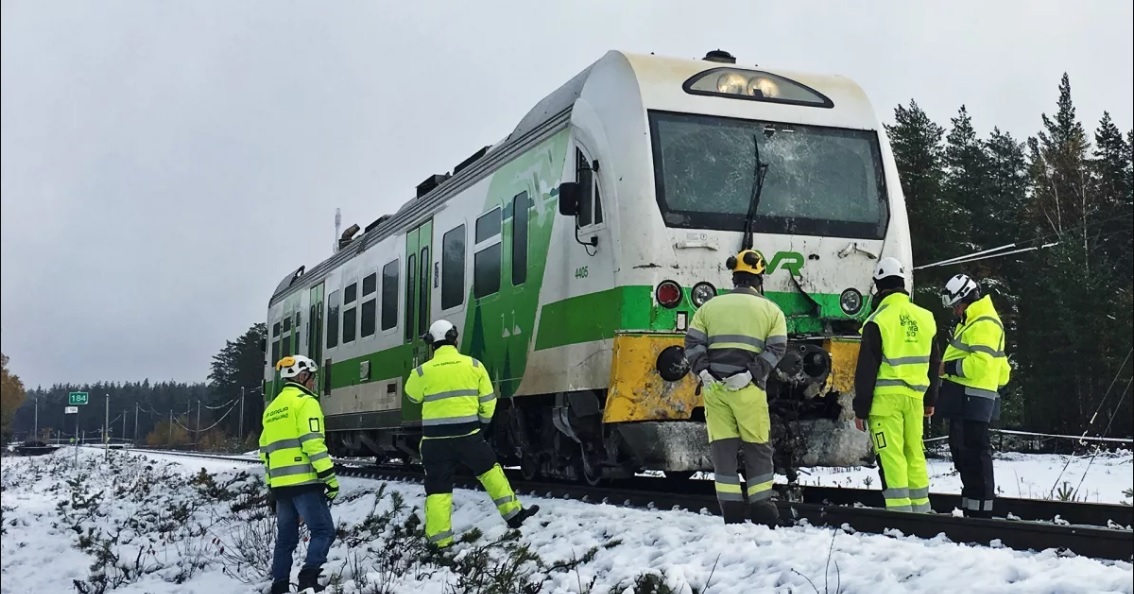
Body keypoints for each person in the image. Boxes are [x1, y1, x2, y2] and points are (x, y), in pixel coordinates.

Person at [404, 319, 539, 549]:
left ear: (431, 344)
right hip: (469, 435)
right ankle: (513, 515)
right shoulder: (474, 366)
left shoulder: (421, 371)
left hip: (434, 442)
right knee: (490, 471)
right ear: (454, 339)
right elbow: (488, 401)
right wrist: (482, 427)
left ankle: (439, 541)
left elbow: (411, 396)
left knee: (438, 489)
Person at [683, 249, 788, 527]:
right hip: (748, 389)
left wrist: (703, 371)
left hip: (715, 389)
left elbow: (692, 343)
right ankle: (761, 505)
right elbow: (777, 348)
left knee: (723, 449)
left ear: (734, 277)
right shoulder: (771, 310)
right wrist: (752, 373)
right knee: (757, 447)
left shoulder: (708, 308)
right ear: (759, 279)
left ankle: (730, 509)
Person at [852, 257, 942, 513]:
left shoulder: (877, 320)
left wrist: (860, 409)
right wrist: (930, 400)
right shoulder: (925, 318)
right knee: (914, 452)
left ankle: (900, 514)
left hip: (885, 401)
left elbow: (866, 370)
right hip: (915, 399)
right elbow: (934, 362)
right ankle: (921, 509)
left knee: (891, 455)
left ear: (879, 287)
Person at [259, 355, 338, 594]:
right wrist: (330, 479)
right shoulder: (306, 402)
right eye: (312, 378)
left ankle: (279, 585)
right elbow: (313, 444)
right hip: (305, 482)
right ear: (302, 377)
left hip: (281, 486)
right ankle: (308, 577)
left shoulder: (272, 409)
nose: (313, 383)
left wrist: (272, 485)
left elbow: (265, 452)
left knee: (286, 539)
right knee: (323, 531)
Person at [936, 273, 1011, 518]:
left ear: (965, 299)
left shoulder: (984, 324)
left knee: (974, 453)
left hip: (972, 398)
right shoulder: (973, 321)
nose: (955, 312)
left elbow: (980, 365)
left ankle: (981, 513)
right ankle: (973, 507)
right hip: (966, 398)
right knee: (964, 453)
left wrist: (947, 368)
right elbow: (1002, 373)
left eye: (956, 306)